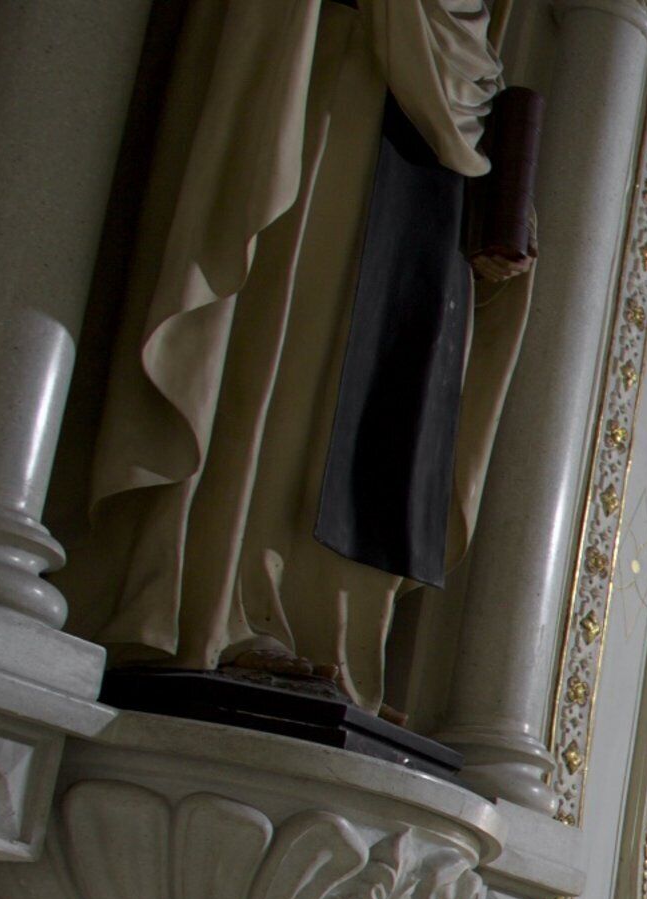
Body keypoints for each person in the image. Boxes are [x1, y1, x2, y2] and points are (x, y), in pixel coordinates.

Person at [68, 0, 540, 718]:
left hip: (428, 173)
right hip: (335, 78)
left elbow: (472, 77)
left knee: (387, 399)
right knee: (278, 352)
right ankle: (225, 608)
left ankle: (334, 639)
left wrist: (506, 212)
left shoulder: (477, 34)